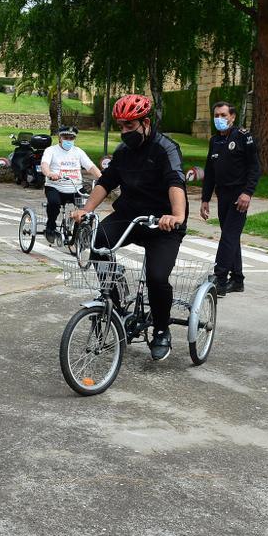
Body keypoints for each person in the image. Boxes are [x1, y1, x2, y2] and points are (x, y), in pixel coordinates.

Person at [72, 93, 188, 362]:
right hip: (131, 217)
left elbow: (175, 182)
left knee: (157, 277)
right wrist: (86, 210)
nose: (124, 131)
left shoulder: (165, 148)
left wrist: (177, 215)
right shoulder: (123, 152)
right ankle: (116, 306)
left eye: (130, 125)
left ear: (145, 122)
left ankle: (161, 330)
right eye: (121, 126)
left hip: (163, 224)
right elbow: (106, 182)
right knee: (98, 241)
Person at [200, 101, 260, 296]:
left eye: (223, 115)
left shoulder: (243, 137)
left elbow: (254, 168)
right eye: (216, 115)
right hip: (222, 194)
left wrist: (247, 193)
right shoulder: (214, 141)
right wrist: (205, 199)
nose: (219, 119)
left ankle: (220, 277)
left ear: (232, 117)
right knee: (230, 235)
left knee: (228, 236)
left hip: (239, 195)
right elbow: (210, 171)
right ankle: (237, 279)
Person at [40, 125, 101, 244]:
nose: (68, 140)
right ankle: (50, 227)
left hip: (75, 188)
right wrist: (49, 173)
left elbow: (91, 166)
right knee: (54, 203)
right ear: (60, 138)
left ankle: (81, 233)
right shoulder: (51, 150)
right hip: (55, 186)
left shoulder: (78, 152)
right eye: (65, 137)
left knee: (88, 208)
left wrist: (102, 178)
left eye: (71, 138)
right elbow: (44, 164)